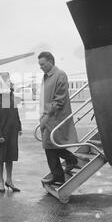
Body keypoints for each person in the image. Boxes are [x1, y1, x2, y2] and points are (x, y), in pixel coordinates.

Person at [38, 52, 78, 185]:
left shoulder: (60, 75)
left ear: (50, 61)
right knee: (51, 145)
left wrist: (47, 114)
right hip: (48, 116)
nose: (40, 67)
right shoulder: (47, 76)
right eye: (40, 64)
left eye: (42, 64)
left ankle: (63, 170)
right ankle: (67, 164)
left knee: (49, 146)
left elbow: (59, 99)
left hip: (55, 116)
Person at [0, 75, 23, 193]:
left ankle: (9, 180)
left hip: (12, 131)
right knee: (0, 158)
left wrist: (19, 126)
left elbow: (15, 112)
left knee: (10, 157)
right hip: (1, 133)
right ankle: (0, 181)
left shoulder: (10, 96)